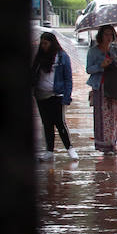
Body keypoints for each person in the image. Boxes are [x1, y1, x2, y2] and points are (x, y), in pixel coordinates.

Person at [32, 32, 77, 161]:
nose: (43, 46)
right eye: (42, 44)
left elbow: (68, 78)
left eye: (46, 43)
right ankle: (49, 151)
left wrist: (67, 96)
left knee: (60, 122)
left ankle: (70, 148)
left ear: (52, 43)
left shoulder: (62, 57)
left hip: (57, 94)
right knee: (47, 123)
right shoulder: (39, 58)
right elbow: (33, 74)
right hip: (41, 95)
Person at [86, 25, 117, 154]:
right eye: (106, 34)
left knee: (114, 116)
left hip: (114, 86)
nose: (108, 37)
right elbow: (89, 69)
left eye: (111, 35)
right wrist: (100, 66)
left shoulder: (115, 50)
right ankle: (104, 145)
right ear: (101, 35)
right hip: (100, 86)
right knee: (102, 117)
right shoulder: (93, 51)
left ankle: (113, 143)